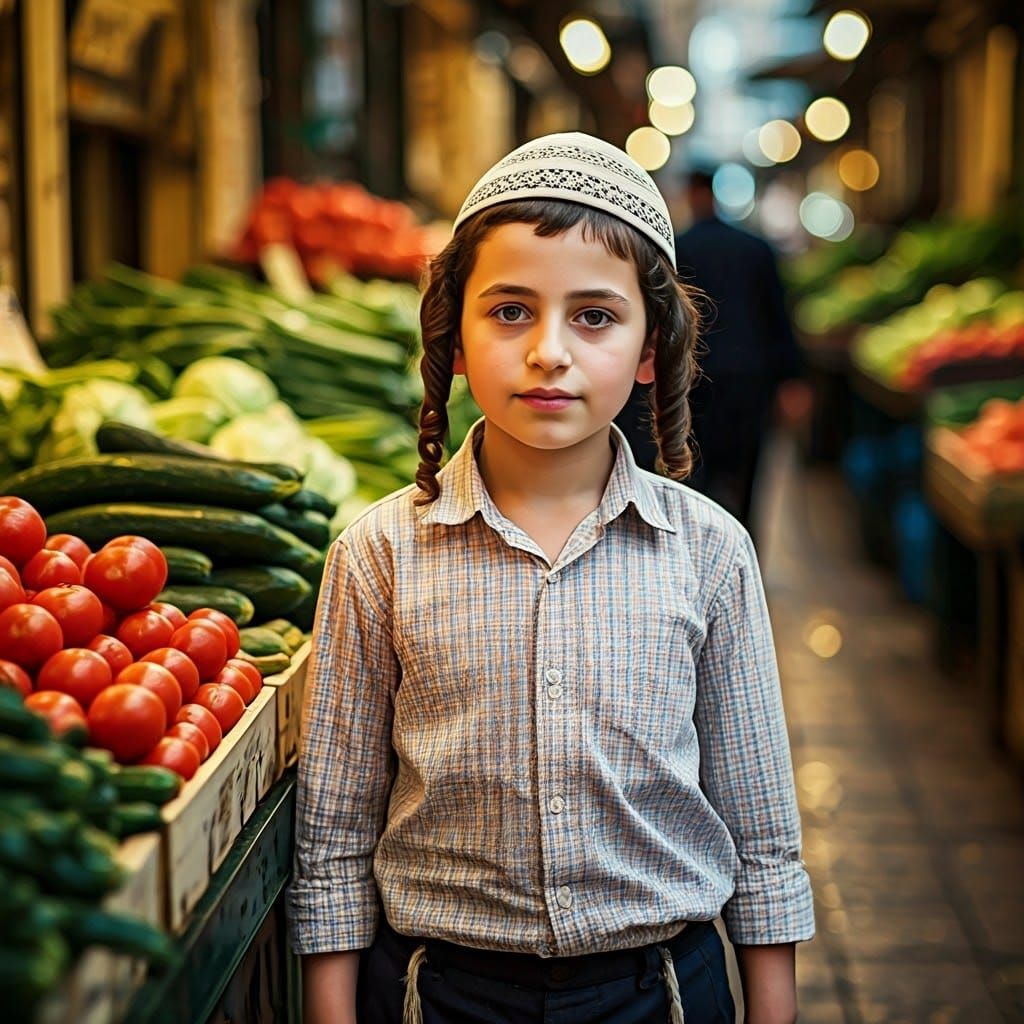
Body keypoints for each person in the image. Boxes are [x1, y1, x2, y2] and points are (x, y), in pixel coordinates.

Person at [288, 133, 814, 1024]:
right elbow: (335, 840)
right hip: (436, 993)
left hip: (663, 992)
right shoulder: (377, 554)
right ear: (454, 336)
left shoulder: (711, 552)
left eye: (595, 317)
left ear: (653, 348)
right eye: (510, 311)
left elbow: (761, 835)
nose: (549, 352)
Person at [616, 169, 801, 543]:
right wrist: (791, 378)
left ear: (692, 194)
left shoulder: (676, 249)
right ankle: (744, 545)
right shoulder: (756, 248)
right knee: (747, 470)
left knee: (692, 467)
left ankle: (696, 544)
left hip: (691, 377)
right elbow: (779, 317)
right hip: (750, 378)